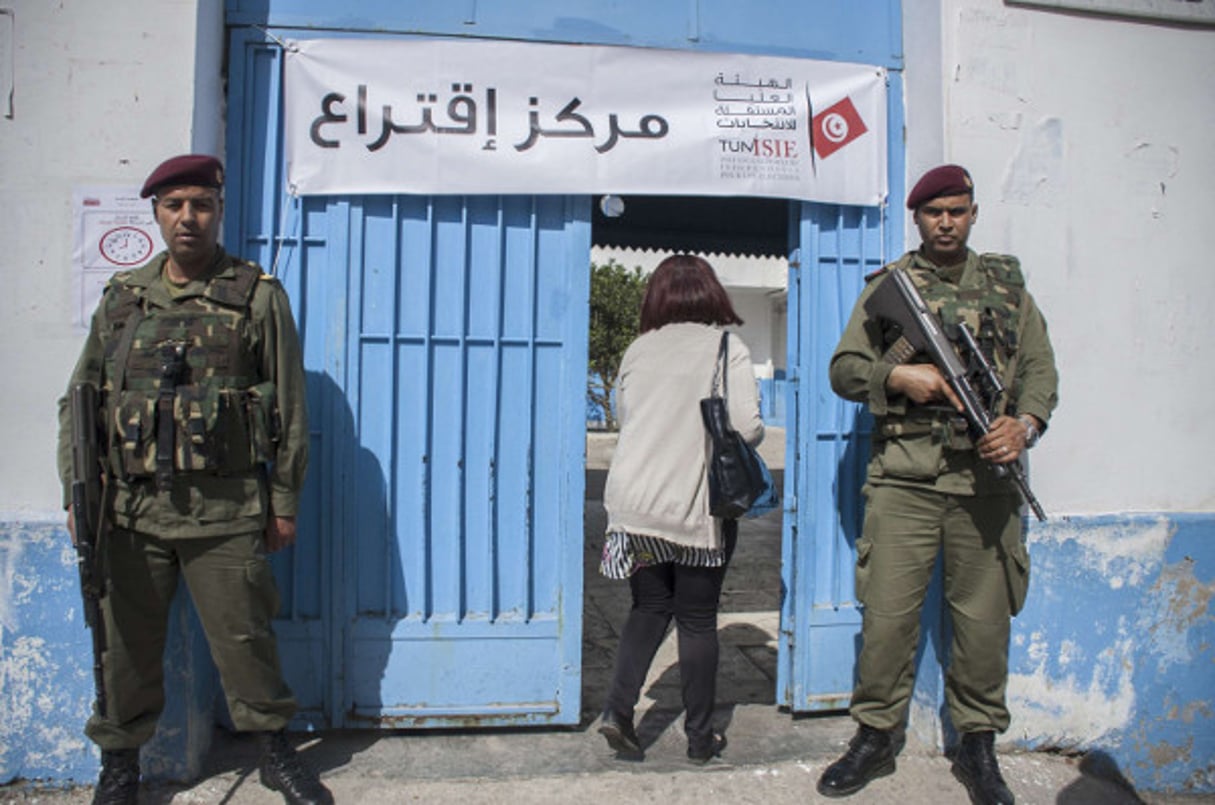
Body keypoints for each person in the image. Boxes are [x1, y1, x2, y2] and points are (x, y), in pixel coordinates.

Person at [56, 155, 332, 805]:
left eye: (201, 204)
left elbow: (289, 407)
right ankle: (120, 765)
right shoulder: (124, 298)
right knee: (122, 646)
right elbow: (82, 399)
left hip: (227, 509)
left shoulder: (257, 294)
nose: (188, 217)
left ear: (218, 212)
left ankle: (272, 753)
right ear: (156, 212)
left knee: (245, 642)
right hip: (130, 510)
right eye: (175, 205)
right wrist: (79, 491)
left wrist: (283, 502)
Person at [816, 165, 1059, 803]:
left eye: (957, 210)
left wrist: (1025, 423)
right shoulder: (891, 288)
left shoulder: (1006, 285)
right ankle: (874, 737)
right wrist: (903, 379)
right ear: (917, 218)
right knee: (889, 618)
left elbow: (1038, 367)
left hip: (988, 482)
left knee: (983, 624)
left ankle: (979, 746)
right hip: (906, 482)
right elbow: (844, 370)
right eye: (933, 213)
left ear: (973, 213)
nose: (946, 222)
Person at [596, 254, 764, 764]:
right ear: (711, 293)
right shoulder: (725, 347)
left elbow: (628, 419)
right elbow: (748, 426)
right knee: (695, 620)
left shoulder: (637, 349)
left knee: (648, 608)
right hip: (693, 509)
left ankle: (618, 712)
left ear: (658, 297)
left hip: (635, 508)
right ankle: (699, 738)